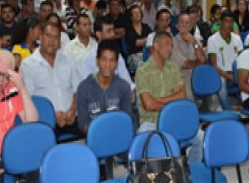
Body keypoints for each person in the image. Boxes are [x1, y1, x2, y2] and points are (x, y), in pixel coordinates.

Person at [136, 32, 203, 162]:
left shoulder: (173, 68)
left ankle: (189, 170)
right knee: (144, 138)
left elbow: (182, 96)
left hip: (174, 119)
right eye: (167, 44)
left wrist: (157, 100)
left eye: (172, 46)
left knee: (202, 138)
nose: (170, 49)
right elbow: (149, 105)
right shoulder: (143, 70)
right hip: (151, 122)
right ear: (156, 45)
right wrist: (172, 101)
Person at [21, 22, 79, 135]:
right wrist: (53, 115)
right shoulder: (28, 65)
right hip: (45, 123)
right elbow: (30, 100)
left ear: (60, 42)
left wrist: (73, 109)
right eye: (48, 36)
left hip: (72, 119)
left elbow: (78, 90)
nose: (52, 40)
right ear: (41, 37)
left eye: (56, 37)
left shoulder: (68, 60)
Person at [76, 39, 133, 134]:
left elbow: (126, 120)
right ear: (97, 61)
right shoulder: (84, 88)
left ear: (117, 63)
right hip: (95, 139)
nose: (108, 65)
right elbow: (83, 125)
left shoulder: (124, 87)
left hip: (118, 137)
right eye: (104, 60)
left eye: (112, 60)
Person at [80, 15, 135, 91]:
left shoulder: (118, 55)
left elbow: (127, 82)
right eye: (109, 31)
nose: (112, 34)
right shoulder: (88, 58)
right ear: (98, 34)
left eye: (113, 30)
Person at [207, 10, 244, 109]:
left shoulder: (237, 38)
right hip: (221, 73)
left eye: (231, 21)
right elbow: (213, 65)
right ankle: (227, 110)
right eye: (226, 21)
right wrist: (229, 76)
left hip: (236, 73)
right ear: (221, 22)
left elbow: (242, 60)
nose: (228, 24)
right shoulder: (212, 40)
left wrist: (237, 75)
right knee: (221, 83)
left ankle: (246, 107)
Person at [171, 13, 206, 101]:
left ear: (191, 27)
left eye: (187, 23)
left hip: (197, 77)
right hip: (181, 78)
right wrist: (199, 63)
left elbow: (203, 60)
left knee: (213, 99)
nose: (185, 25)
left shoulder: (195, 40)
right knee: (190, 100)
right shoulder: (171, 43)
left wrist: (194, 43)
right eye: (182, 22)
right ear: (177, 26)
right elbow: (186, 64)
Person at [125, 4, 151, 71]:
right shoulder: (129, 29)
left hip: (148, 54)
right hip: (133, 55)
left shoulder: (146, 27)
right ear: (131, 17)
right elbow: (136, 43)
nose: (137, 14)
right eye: (134, 13)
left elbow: (154, 39)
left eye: (139, 12)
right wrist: (149, 39)